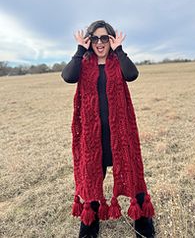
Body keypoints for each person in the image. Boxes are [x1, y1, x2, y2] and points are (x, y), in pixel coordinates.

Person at [61, 20, 156, 238]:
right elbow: (68, 76)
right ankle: (90, 219)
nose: (100, 42)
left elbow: (132, 74)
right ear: (89, 40)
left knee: (132, 172)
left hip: (120, 133)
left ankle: (141, 216)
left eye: (105, 38)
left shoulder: (118, 62)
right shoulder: (83, 65)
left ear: (110, 40)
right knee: (92, 176)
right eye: (95, 38)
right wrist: (79, 50)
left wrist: (120, 49)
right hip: (93, 137)